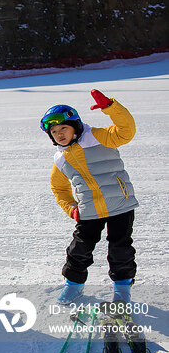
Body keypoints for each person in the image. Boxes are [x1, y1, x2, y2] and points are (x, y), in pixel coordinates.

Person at [41, 89, 138, 304]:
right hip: (88, 210)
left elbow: (126, 131)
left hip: (120, 205)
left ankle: (122, 290)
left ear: (75, 126)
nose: (59, 134)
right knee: (79, 249)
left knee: (120, 249)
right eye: (54, 132)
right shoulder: (61, 159)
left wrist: (110, 107)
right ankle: (73, 285)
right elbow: (58, 188)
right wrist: (71, 208)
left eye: (63, 128)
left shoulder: (97, 136)